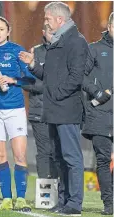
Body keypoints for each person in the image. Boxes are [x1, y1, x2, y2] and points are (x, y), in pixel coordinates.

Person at [19, 2, 88, 216]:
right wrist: (33, 65)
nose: (45, 21)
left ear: (60, 19)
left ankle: (74, 203)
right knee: (58, 157)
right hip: (53, 110)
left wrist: (55, 95)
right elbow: (48, 75)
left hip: (66, 109)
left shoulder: (76, 42)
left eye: (47, 18)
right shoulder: (57, 42)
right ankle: (65, 200)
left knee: (71, 157)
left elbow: (76, 78)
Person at [0, 16, 35, 212]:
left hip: (14, 109)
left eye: (1, 29)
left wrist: (13, 80)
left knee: (20, 154)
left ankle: (20, 199)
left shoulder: (16, 50)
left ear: (8, 31)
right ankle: (6, 199)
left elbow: (30, 79)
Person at [82, 12, 113, 215]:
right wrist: (98, 93)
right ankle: (109, 204)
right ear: (109, 26)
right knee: (102, 159)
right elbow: (80, 77)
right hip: (100, 113)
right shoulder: (94, 49)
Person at [21, 25, 58, 180]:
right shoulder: (34, 52)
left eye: (56, 32)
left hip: (61, 111)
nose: (54, 35)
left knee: (59, 151)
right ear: (43, 33)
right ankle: (46, 192)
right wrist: (48, 87)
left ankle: (60, 191)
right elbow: (25, 82)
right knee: (44, 151)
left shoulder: (66, 52)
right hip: (39, 111)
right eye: (50, 32)